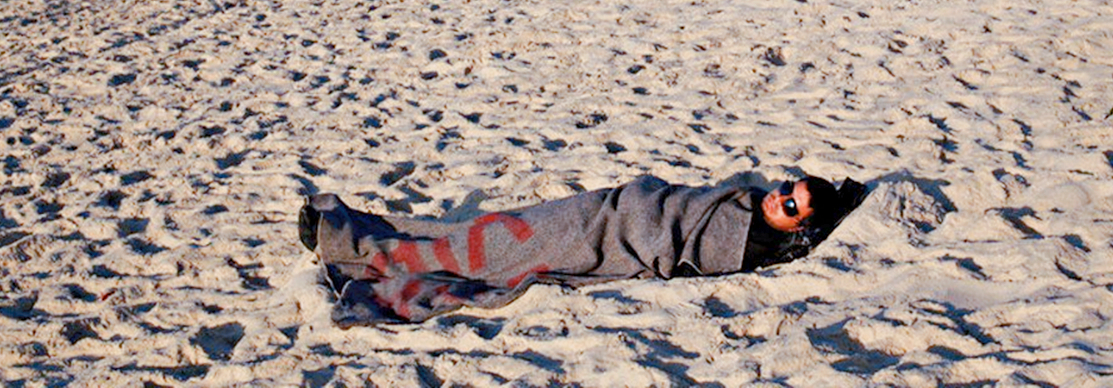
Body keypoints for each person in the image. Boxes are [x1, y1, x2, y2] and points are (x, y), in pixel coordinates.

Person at [298, 173, 865, 325]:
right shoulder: (746, 201)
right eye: (787, 187)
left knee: (491, 248)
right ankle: (362, 236)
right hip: (606, 208)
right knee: (498, 225)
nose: (780, 198)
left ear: (796, 229)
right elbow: (682, 203)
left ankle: (356, 246)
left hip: (608, 238)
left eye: (792, 207)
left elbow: (673, 247)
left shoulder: (748, 244)